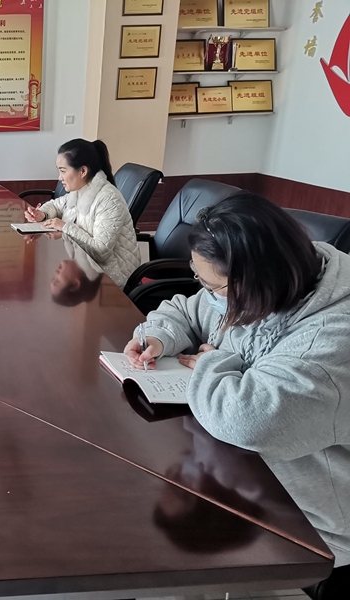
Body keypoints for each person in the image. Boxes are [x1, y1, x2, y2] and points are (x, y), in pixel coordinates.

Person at [123, 194, 350, 599]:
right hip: (242, 475)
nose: (208, 294)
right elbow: (187, 309)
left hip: (310, 522)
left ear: (256, 281)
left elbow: (248, 419)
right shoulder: (265, 281)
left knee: (155, 558)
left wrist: (215, 361)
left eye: (213, 286)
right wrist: (158, 336)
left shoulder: (330, 339)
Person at [24, 139, 140, 288]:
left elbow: (100, 252)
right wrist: (42, 214)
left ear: (83, 171)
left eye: (63, 171)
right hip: (87, 267)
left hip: (112, 277)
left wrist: (65, 227)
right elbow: (56, 205)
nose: (59, 177)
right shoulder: (80, 190)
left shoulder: (108, 199)